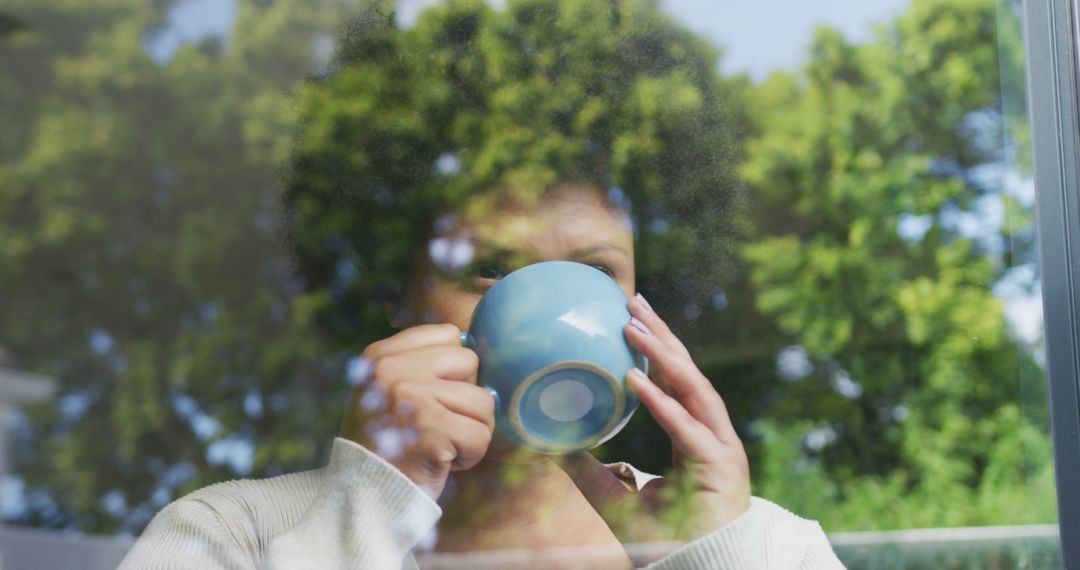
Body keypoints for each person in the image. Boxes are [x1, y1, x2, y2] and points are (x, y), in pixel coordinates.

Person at [120, 1, 847, 568]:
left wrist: (707, 559)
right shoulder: (228, 539)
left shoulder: (771, 551)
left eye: (594, 274)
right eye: (490, 269)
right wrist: (364, 517)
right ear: (391, 296)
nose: (545, 314)